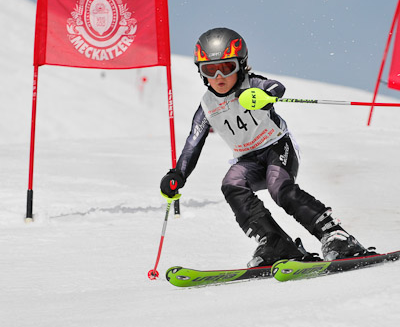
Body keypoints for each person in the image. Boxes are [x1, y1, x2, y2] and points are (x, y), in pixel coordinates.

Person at [160, 27, 374, 267]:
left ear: (241, 65)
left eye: (227, 67)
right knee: (231, 185)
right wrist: (179, 174)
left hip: (276, 147)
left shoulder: (252, 85)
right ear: (201, 73)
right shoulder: (208, 106)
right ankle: (275, 243)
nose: (219, 76)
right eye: (210, 70)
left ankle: (335, 235)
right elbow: (193, 143)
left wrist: (265, 96)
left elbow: (275, 87)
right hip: (247, 160)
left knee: (279, 189)